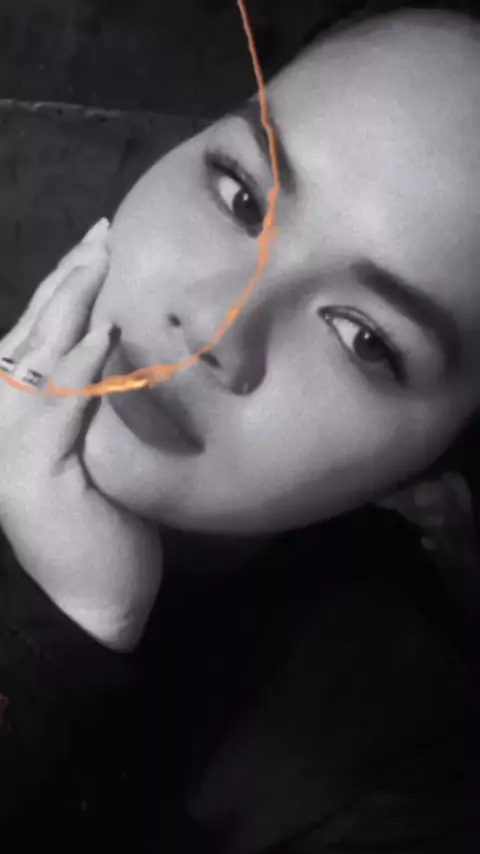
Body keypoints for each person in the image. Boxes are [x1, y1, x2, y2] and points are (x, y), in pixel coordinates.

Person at [1, 3, 480, 851]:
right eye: (241, 194)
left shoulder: (396, 772)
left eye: (365, 339)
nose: (215, 324)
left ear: (440, 457)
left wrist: (59, 632)